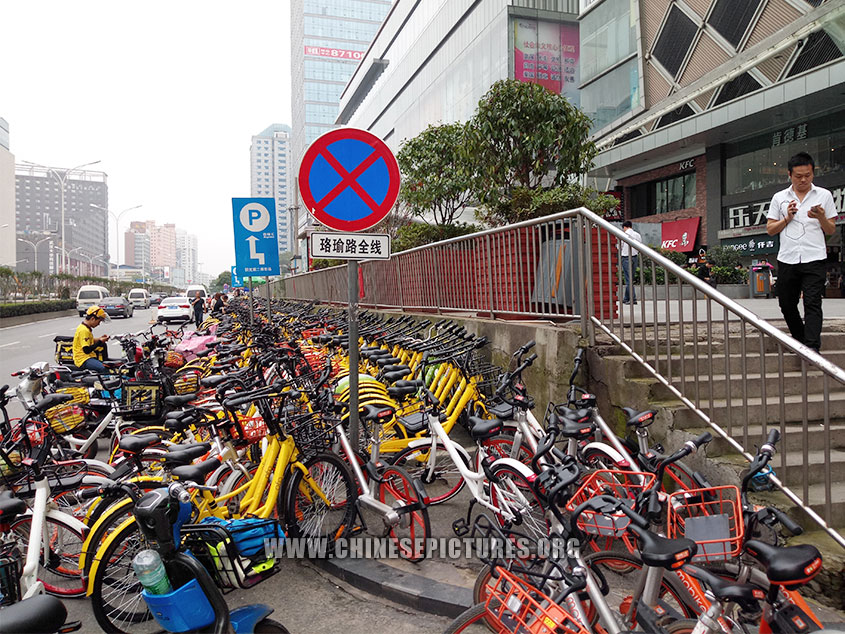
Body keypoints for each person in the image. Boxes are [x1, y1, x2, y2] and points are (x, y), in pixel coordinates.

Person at [766, 152, 838, 353]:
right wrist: (787, 218)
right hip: (788, 258)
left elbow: (831, 229)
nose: (804, 179)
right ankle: (801, 340)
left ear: (813, 173)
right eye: (798, 176)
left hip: (814, 257)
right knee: (786, 304)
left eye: (807, 175)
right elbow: (771, 229)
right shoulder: (779, 198)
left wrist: (821, 217)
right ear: (789, 175)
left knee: (812, 302)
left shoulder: (823, 195)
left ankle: (812, 348)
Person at [72, 306, 110, 372]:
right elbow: (86, 350)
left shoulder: (85, 328)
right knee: (104, 368)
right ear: (92, 319)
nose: (98, 324)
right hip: (83, 359)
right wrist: (100, 342)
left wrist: (100, 339)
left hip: (88, 357)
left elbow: (89, 341)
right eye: (99, 321)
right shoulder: (84, 330)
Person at [620, 220, 642, 304]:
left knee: (628, 278)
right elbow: (640, 245)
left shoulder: (624, 234)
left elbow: (620, 246)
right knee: (630, 278)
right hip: (635, 257)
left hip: (626, 257)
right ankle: (626, 298)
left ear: (624, 227)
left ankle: (633, 299)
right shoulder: (637, 235)